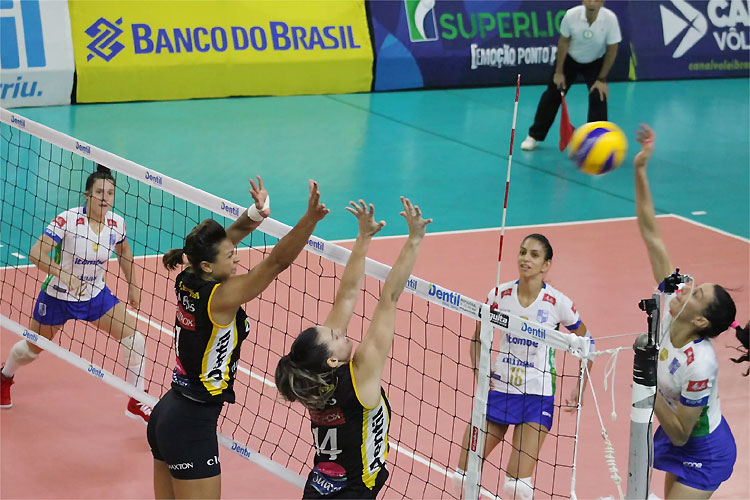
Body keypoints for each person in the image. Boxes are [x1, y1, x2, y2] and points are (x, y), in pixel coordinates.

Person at [146, 177, 328, 500]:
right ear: (207, 265)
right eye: (230, 257)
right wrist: (309, 220)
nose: (237, 257)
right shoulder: (220, 298)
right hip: (190, 424)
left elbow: (229, 238)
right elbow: (276, 263)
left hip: (169, 413)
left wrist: (257, 214)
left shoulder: (190, 275)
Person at [275, 197, 431, 499]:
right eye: (334, 334)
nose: (340, 331)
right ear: (332, 360)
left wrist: (364, 236)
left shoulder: (311, 380)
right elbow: (390, 298)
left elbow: (345, 297)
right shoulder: (357, 377)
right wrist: (414, 239)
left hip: (319, 487)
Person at [633, 124, 738, 499]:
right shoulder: (669, 306)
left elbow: (680, 431)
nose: (687, 288)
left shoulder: (701, 363)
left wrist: (645, 375)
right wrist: (640, 169)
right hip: (678, 437)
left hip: (704, 450)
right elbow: (650, 232)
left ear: (701, 321)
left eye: (697, 294)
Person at [0, 164, 151, 422]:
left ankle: (137, 398)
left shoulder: (116, 224)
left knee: (134, 339)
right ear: (87, 195)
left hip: (95, 295)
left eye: (110, 193)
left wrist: (133, 284)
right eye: (100, 192)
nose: (105, 198)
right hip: (58, 296)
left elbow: (124, 252)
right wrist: (63, 274)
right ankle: (4, 377)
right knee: (31, 350)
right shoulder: (68, 220)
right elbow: (37, 253)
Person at [454, 234, 593, 500]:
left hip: (536, 395)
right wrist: (479, 373)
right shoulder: (499, 295)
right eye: (522, 252)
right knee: (462, 475)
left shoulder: (558, 303)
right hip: (499, 390)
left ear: (546, 265)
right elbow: (476, 339)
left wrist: (580, 387)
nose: (525, 259)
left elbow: (589, 344)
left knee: (517, 487)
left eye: (534, 255)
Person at [521, 0, 621, 151]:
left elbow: (612, 49)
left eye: (597, 0)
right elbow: (563, 43)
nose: (592, 3)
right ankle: (534, 135)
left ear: (602, 2)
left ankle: (595, 142)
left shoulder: (610, 19)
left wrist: (601, 79)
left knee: (598, 96)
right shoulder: (571, 15)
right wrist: (559, 72)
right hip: (569, 60)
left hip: (595, 62)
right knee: (552, 95)